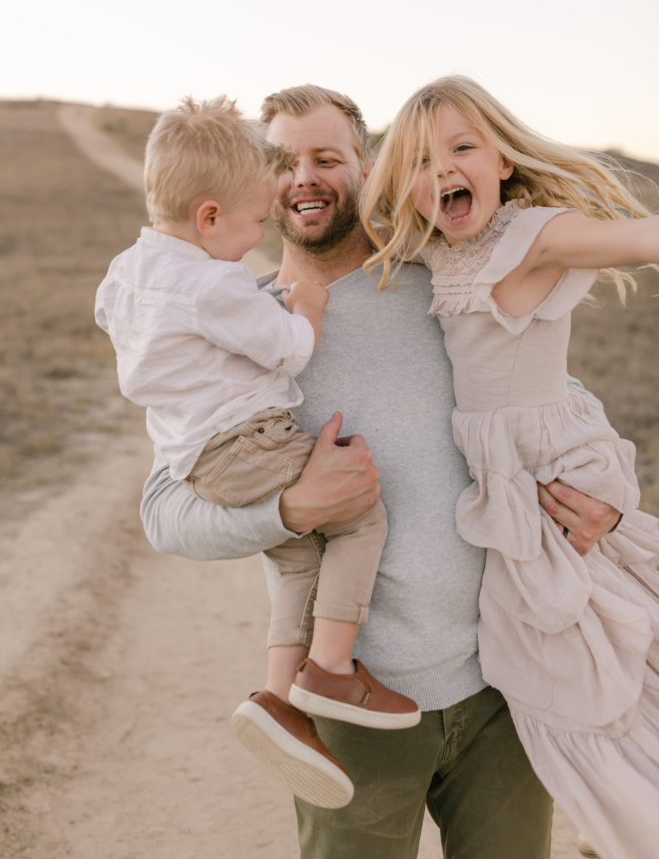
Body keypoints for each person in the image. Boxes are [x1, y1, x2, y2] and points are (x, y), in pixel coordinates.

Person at [139, 83, 620, 859]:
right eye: (280, 162)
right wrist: (289, 511)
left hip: (505, 680)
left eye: (326, 158)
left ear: (366, 166)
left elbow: (550, 398)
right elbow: (163, 510)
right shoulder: (236, 330)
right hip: (350, 709)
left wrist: (604, 504)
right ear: (254, 184)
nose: (302, 177)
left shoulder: (445, 281)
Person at [361, 74, 659, 859]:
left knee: (592, 646)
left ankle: (627, 817)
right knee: (586, 640)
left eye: (462, 149)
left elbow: (641, 238)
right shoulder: (432, 246)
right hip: (500, 477)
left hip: (547, 470)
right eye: (421, 161)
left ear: (501, 161)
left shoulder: (534, 235)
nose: (442, 170)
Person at [95, 95, 419, 813]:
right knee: (359, 519)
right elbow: (288, 352)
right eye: (250, 223)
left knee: (298, 551)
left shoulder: (128, 271)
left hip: (197, 454)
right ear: (210, 216)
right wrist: (301, 306)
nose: (256, 238)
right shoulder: (222, 289)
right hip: (244, 441)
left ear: (364, 168)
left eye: (326, 159)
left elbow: (113, 316)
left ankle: (281, 699)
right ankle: (331, 666)